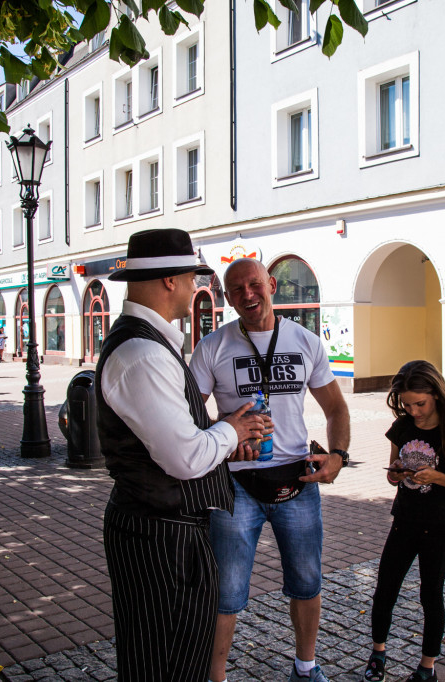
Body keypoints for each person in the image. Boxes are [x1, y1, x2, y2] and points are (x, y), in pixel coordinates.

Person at [95, 228, 269, 682]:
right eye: (192, 277)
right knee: (168, 663)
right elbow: (185, 458)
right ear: (170, 281)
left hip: (163, 531)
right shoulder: (142, 353)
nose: (196, 287)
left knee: (170, 657)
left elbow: (177, 446)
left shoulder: (146, 344)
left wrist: (223, 445)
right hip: (162, 538)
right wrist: (231, 431)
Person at [190, 257, 351, 682]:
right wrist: (223, 435)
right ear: (227, 296)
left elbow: (335, 407)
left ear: (272, 284)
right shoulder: (213, 347)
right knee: (226, 590)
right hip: (235, 484)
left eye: (254, 284)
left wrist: (338, 455)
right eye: (237, 288)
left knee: (307, 582)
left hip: (298, 480)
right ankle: (216, 676)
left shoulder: (305, 341)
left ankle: (305, 667)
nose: (247, 294)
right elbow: (186, 416)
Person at [362, 360, 445, 682]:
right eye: (407, 404)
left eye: (420, 404)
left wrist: (439, 477)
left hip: (437, 526)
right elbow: (393, 476)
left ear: (436, 395)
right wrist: (397, 473)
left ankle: (427, 668)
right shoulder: (402, 427)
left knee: (431, 596)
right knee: (385, 589)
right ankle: (378, 653)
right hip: (403, 519)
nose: (414, 411)